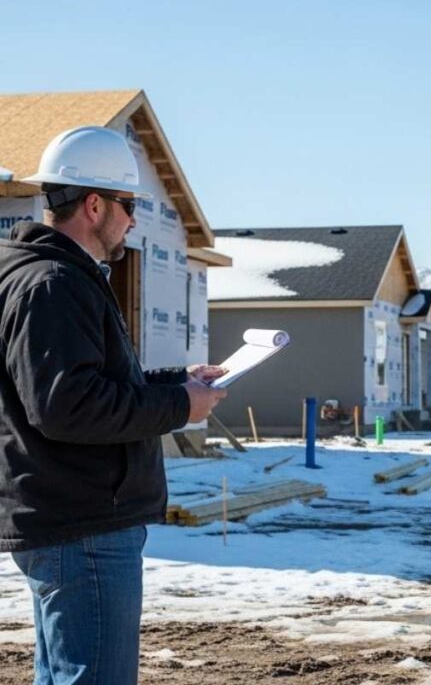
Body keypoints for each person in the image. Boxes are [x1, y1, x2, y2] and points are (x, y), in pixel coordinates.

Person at [0, 126, 227, 685]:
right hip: (84, 526)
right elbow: (67, 406)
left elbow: (80, 384)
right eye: (128, 205)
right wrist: (179, 406)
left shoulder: (43, 276)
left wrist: (178, 380)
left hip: (67, 520)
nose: (133, 220)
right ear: (94, 204)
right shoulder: (53, 284)